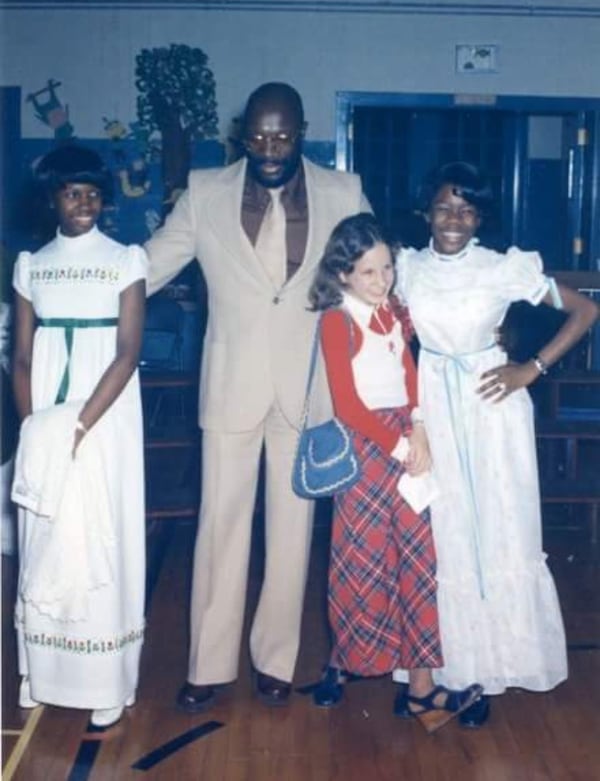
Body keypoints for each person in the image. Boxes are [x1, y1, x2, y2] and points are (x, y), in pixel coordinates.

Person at [145, 82, 370, 711]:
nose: (271, 148)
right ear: (242, 133)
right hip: (230, 385)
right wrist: (76, 280)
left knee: (293, 531)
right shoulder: (206, 191)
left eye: (284, 136)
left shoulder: (342, 192)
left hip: (305, 388)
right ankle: (207, 667)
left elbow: (376, 272)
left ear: (303, 131)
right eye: (259, 136)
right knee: (219, 526)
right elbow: (150, 265)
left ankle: (275, 659)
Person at [392, 161, 599, 728]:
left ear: (479, 216)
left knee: (497, 531)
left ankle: (485, 670)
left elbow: (586, 310)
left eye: (465, 209)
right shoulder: (405, 269)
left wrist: (531, 368)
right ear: (426, 213)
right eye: (443, 208)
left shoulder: (500, 268)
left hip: (492, 407)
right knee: (439, 535)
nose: (453, 219)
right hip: (431, 406)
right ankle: (432, 669)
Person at [306, 213, 482, 732]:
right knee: (362, 565)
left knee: (417, 562)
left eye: (386, 268)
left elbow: (409, 377)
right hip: (366, 451)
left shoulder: (394, 313)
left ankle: (423, 692)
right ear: (342, 274)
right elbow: (349, 405)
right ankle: (343, 663)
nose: (381, 280)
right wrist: (399, 444)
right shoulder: (336, 321)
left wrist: (420, 430)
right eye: (367, 272)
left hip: (407, 443)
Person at [11, 144, 147, 728]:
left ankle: (105, 678)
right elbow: (18, 355)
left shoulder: (125, 260)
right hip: (44, 414)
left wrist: (82, 424)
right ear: (53, 199)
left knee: (101, 531)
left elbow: (127, 350)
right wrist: (36, 428)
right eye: (73, 192)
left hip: (104, 412)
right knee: (43, 528)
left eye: (93, 193)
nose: (84, 203)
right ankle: (40, 670)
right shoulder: (30, 265)